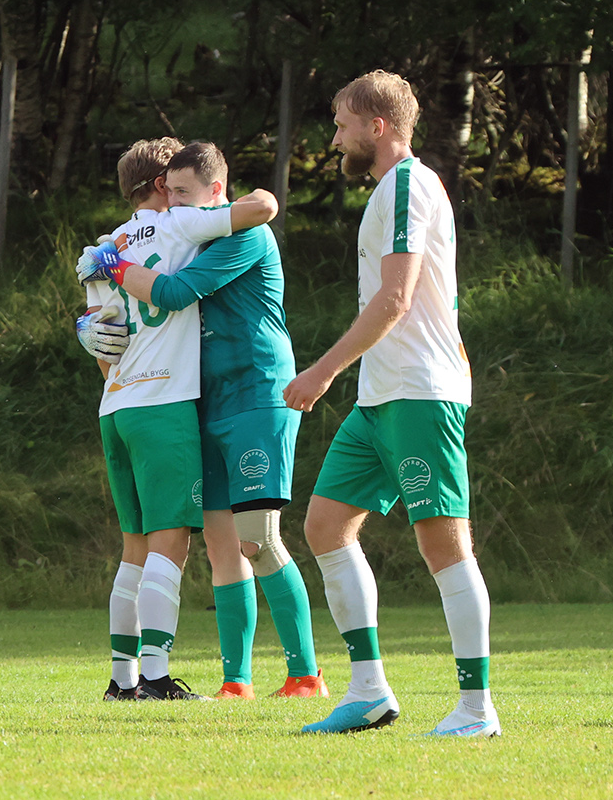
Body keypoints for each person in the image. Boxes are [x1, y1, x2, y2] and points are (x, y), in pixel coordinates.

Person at [285, 70, 496, 737]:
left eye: (344, 123)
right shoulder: (387, 191)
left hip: (420, 392)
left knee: (443, 543)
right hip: (381, 394)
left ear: (377, 127)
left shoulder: (407, 183)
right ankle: (369, 688)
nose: (336, 134)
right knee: (324, 525)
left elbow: (396, 298)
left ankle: (475, 707)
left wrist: (321, 371)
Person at [108, 140, 328, 699]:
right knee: (219, 543)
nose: (174, 206)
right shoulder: (186, 234)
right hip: (205, 397)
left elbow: (176, 292)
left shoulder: (244, 235)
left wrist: (113, 263)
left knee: (259, 537)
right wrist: (95, 328)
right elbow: (145, 316)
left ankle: (305, 674)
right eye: (169, 193)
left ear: (214, 192)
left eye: (184, 194)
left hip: (257, 390)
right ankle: (237, 681)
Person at [76, 138, 278, 701]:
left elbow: (102, 348)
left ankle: (121, 679)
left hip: (115, 404)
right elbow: (260, 208)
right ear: (165, 186)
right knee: (171, 544)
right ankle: (157, 676)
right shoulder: (184, 224)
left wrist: (86, 324)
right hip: (164, 404)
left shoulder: (104, 247)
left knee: (133, 548)